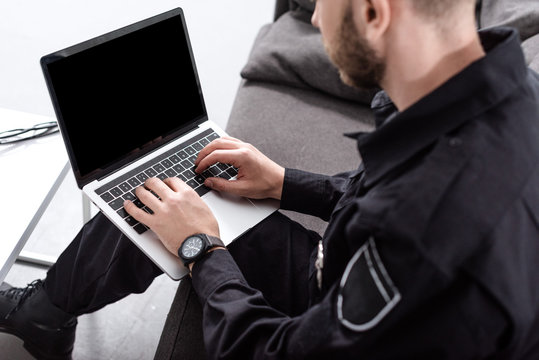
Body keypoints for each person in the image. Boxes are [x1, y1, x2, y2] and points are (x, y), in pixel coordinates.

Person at [1, 0, 538, 358]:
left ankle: (40, 313)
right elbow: (379, 190)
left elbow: (274, 352)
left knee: (178, 212)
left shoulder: (425, 234)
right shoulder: (499, 94)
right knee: (169, 191)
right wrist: (281, 180)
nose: (319, 20)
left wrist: (200, 247)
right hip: (342, 279)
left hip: (331, 318)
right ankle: (45, 312)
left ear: (375, 12)